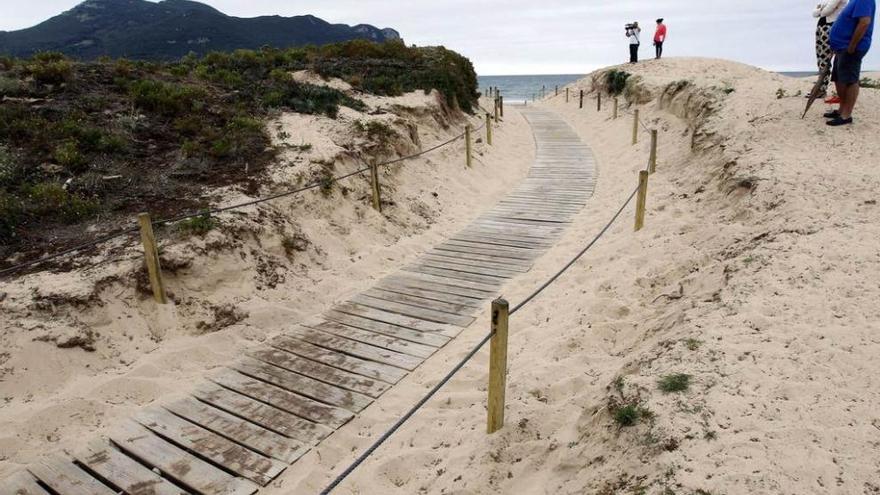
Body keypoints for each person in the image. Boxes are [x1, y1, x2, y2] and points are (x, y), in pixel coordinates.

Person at [825, 0, 875, 126]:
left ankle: (846, 115)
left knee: (850, 80)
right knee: (839, 78)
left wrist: (852, 45)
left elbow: (864, 22)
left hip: (850, 48)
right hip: (841, 47)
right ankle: (842, 110)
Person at [813, 0, 848, 101]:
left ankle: (822, 89)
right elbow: (814, 13)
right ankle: (820, 87)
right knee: (820, 58)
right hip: (821, 27)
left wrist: (821, 9)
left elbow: (826, 11)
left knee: (825, 58)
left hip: (830, 27)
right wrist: (821, 10)